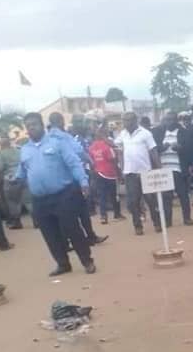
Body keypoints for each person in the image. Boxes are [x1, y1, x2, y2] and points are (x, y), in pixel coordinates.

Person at [16, 113, 95, 275]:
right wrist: (14, 179)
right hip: (39, 199)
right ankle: (63, 264)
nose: (31, 128)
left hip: (63, 195)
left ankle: (87, 261)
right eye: (28, 126)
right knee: (49, 234)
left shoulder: (58, 143)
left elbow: (74, 163)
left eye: (34, 124)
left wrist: (83, 182)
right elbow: (22, 171)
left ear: (42, 125)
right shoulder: (25, 150)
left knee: (72, 229)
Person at [48, 112, 106, 245]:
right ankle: (90, 237)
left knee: (64, 214)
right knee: (82, 210)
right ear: (62, 121)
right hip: (73, 179)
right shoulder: (65, 137)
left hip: (57, 182)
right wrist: (91, 162)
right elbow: (79, 152)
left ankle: (67, 241)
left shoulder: (46, 139)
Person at [117, 111, 161, 235]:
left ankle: (157, 223)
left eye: (129, 120)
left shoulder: (145, 133)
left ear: (135, 120)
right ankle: (138, 226)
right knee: (132, 202)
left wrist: (158, 168)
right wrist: (122, 169)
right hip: (130, 173)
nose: (126, 123)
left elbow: (153, 151)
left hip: (145, 172)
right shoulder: (122, 134)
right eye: (124, 120)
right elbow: (118, 149)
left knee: (151, 201)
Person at [152, 111, 193, 227]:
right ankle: (168, 221)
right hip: (164, 169)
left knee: (183, 195)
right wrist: (162, 148)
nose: (168, 122)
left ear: (176, 120)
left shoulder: (183, 132)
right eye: (166, 120)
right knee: (166, 197)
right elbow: (154, 149)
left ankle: (187, 218)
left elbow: (189, 148)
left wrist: (180, 148)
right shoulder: (159, 133)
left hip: (178, 168)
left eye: (171, 120)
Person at [88, 126, 123, 224]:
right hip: (110, 173)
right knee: (114, 195)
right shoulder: (108, 146)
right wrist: (119, 173)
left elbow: (91, 161)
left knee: (102, 195)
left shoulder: (91, 147)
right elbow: (114, 160)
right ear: (104, 134)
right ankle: (117, 214)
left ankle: (103, 216)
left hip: (98, 173)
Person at [0, 136, 25, 229]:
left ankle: (17, 222)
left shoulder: (2, 154)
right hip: (23, 176)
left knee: (12, 201)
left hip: (10, 179)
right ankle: (36, 221)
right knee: (28, 199)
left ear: (2, 145)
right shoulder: (18, 151)